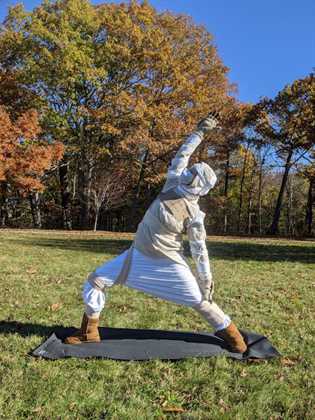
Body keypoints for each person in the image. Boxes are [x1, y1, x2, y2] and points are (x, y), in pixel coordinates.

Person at [65, 113, 247, 353]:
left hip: (168, 263)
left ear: (199, 185)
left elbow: (200, 252)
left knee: (202, 302)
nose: (188, 171)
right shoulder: (172, 183)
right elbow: (182, 155)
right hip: (136, 255)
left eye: (193, 173)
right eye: (191, 170)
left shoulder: (194, 214)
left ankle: (235, 339)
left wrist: (206, 281)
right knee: (95, 282)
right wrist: (199, 132)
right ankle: (89, 332)